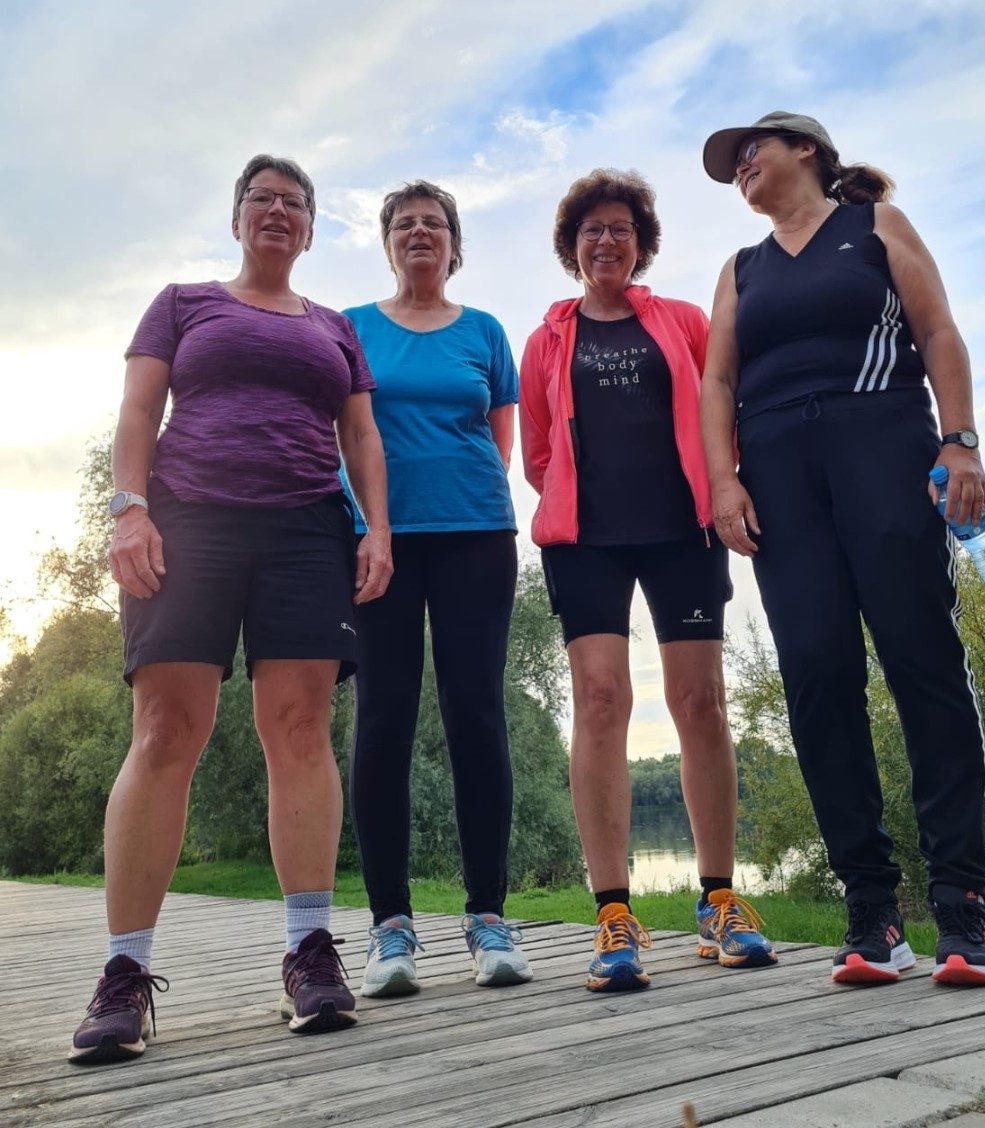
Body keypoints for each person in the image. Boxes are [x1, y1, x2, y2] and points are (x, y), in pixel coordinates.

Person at [69, 155, 392, 1065]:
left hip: (305, 531)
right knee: (167, 728)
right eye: (263, 199)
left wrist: (379, 532)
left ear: (312, 228)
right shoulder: (183, 302)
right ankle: (124, 974)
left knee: (299, 726)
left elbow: (359, 435)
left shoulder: (333, 328)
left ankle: (308, 949)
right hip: (189, 522)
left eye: (295, 202)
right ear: (237, 217)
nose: (278, 212)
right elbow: (138, 410)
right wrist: (127, 509)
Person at [700, 111, 985, 986]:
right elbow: (716, 379)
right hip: (779, 475)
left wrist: (960, 443)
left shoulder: (874, 226)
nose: (741, 169)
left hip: (882, 444)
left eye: (750, 150)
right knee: (816, 673)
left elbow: (939, 329)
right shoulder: (741, 269)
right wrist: (725, 482)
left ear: (806, 150)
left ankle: (962, 907)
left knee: (922, 661)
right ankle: (872, 912)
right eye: (732, 166)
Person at [519, 168, 776, 993]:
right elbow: (535, 451)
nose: (606, 240)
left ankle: (719, 900)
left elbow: (721, 411)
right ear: (572, 245)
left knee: (699, 702)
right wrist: (569, 498)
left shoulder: (684, 322)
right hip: (586, 542)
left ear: (640, 243)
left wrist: (725, 485)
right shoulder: (546, 338)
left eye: (620, 228)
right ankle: (613, 915)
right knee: (600, 701)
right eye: (591, 229)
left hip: (682, 532)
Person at [340, 180, 532, 997]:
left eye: (435, 224)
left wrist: (471, 505)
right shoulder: (349, 329)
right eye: (405, 224)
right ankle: (391, 927)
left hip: (476, 536)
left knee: (476, 715)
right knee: (382, 717)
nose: (421, 233)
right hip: (377, 544)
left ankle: (488, 915)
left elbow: (500, 440)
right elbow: (340, 436)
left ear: (455, 246)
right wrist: (363, 527)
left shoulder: (485, 332)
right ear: (387, 243)